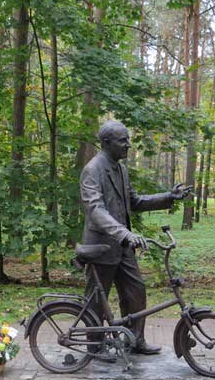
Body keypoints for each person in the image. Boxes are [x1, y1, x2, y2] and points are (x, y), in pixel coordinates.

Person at [80, 121, 191, 355]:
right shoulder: (93, 170)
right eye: (123, 140)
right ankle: (94, 345)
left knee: (136, 291)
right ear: (107, 143)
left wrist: (168, 196)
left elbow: (136, 201)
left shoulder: (121, 169)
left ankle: (134, 339)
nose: (128, 145)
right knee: (96, 301)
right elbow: (96, 210)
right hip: (101, 247)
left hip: (123, 247)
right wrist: (125, 233)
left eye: (128, 139)